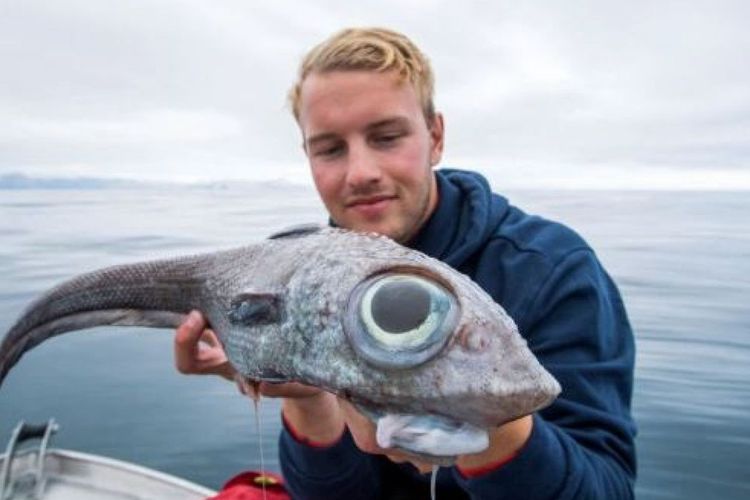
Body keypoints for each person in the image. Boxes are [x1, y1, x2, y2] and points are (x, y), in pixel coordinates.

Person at [174, 27, 637, 499]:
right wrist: (309, 394)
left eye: (387, 137)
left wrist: (488, 423)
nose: (361, 173)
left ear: (435, 137)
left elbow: (608, 489)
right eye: (330, 149)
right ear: (308, 156)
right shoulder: (300, 288)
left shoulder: (551, 269)